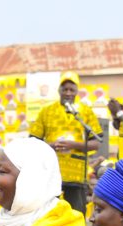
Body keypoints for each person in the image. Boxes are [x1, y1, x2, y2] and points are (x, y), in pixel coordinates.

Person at [29, 72, 103, 214]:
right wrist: (51, 146)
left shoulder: (85, 112)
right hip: (51, 173)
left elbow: (96, 143)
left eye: (72, 90)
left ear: (77, 92)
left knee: (76, 214)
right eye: (65, 89)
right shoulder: (47, 111)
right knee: (49, 214)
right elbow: (33, 141)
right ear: (59, 91)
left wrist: (73, 145)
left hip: (76, 174)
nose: (68, 93)